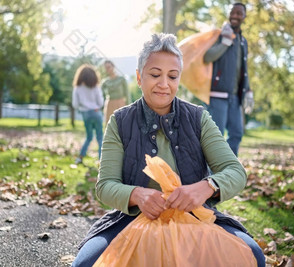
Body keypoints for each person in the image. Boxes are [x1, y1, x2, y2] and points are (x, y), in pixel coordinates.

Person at [72, 33, 265, 267]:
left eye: (172, 76)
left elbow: (235, 171)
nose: (164, 84)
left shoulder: (198, 118)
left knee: (252, 255)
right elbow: (105, 186)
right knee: (85, 264)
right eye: (155, 75)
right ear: (139, 77)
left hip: (194, 217)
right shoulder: (120, 121)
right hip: (133, 218)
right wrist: (136, 195)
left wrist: (207, 187)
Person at [204, 3, 254, 156]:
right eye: (233, 12)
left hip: (235, 98)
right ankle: (212, 175)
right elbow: (207, 57)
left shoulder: (243, 41)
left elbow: (242, 69)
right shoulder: (219, 35)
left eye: (239, 13)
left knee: (237, 134)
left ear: (244, 17)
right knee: (215, 138)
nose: (235, 16)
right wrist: (224, 43)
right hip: (217, 95)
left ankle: (228, 171)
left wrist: (248, 90)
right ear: (229, 14)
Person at [72, 64, 104, 164]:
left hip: (85, 114)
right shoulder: (96, 87)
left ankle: (80, 157)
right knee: (100, 137)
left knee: (89, 137)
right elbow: (101, 103)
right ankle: (101, 160)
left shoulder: (77, 88)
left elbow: (75, 104)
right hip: (96, 112)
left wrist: (83, 107)